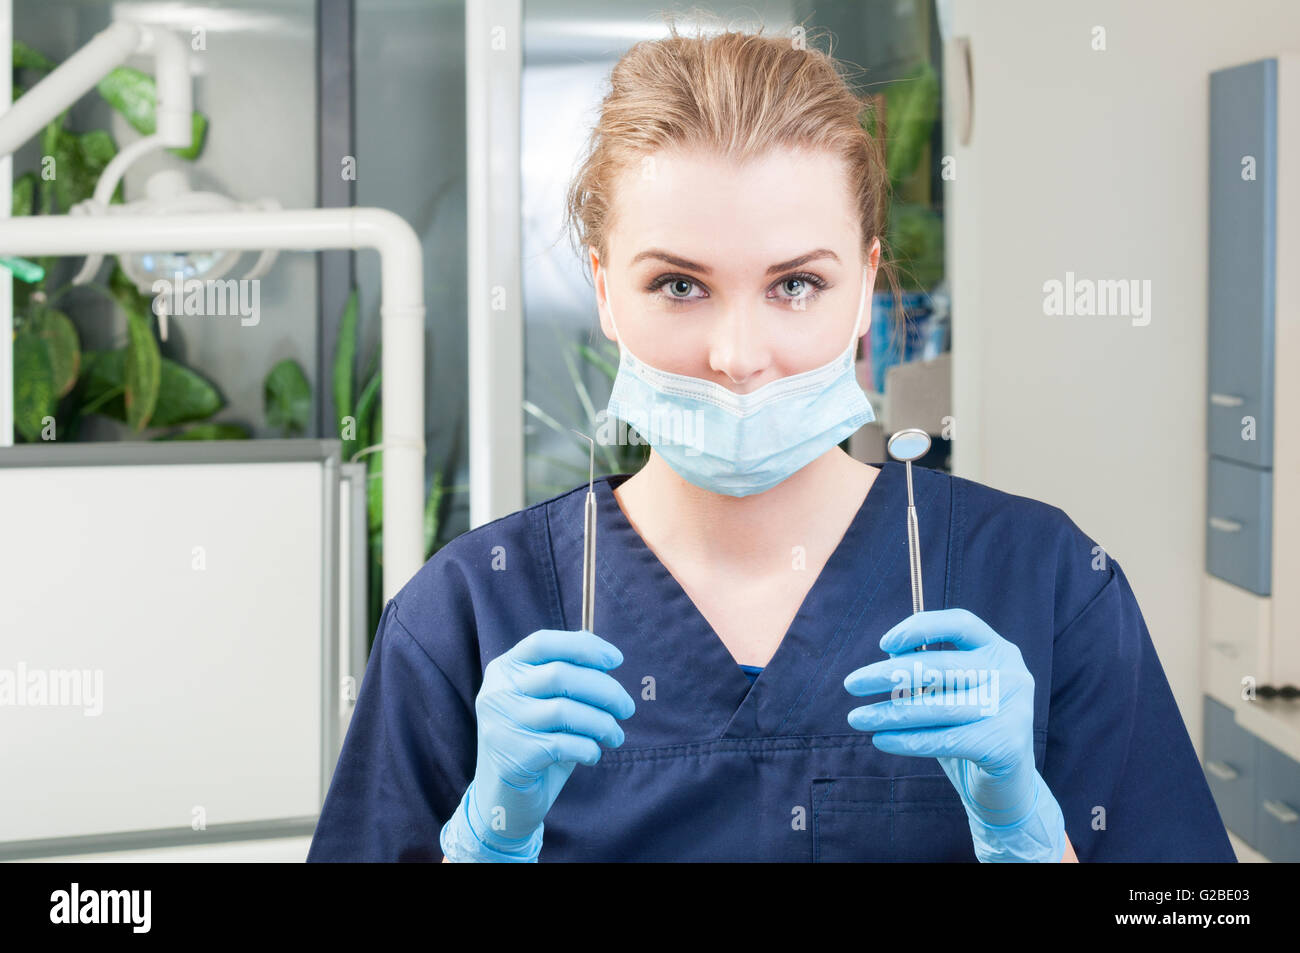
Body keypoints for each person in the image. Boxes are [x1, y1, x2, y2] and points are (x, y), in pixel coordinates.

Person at [307, 22, 1235, 863]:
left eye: (795, 284)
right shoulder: (469, 616)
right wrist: (483, 843)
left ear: (866, 283)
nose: (739, 357)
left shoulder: (1048, 582)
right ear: (602, 288)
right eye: (679, 284)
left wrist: (1029, 837)